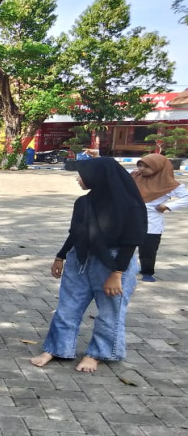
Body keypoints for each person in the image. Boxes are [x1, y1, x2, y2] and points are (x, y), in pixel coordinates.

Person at [30, 157, 146, 372]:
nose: (78, 179)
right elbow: (76, 232)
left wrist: (117, 272)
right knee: (67, 306)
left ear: (97, 176)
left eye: (82, 175)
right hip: (80, 258)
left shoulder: (130, 205)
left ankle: (98, 353)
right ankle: (57, 348)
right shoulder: (83, 202)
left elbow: (132, 241)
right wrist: (60, 256)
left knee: (110, 311)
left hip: (113, 261)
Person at [131, 153, 188, 282]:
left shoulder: (170, 184)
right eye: (140, 165)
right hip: (131, 218)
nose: (142, 169)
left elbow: (186, 198)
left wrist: (167, 206)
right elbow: (114, 172)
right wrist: (97, 156)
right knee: (126, 245)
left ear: (158, 167)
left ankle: (147, 272)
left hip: (152, 221)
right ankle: (123, 269)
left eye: (147, 166)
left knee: (148, 248)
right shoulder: (134, 176)